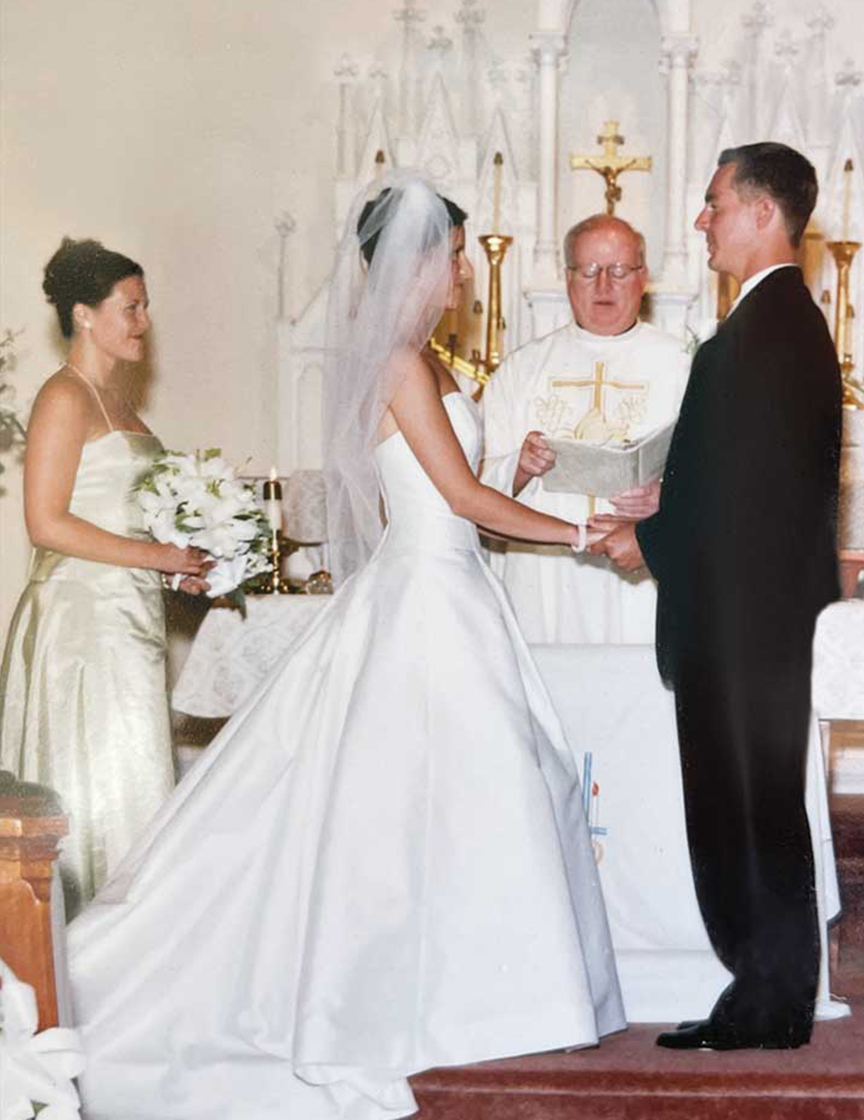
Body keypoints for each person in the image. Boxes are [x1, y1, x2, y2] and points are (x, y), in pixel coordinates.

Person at [67, 174, 625, 1120]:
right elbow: (454, 503)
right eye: (451, 258)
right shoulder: (404, 368)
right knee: (456, 793)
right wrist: (584, 532)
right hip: (428, 598)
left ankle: (485, 988)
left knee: (479, 793)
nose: (461, 276)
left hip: (455, 589)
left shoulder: (430, 362)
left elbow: (448, 483)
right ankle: (455, 996)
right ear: (411, 262)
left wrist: (511, 465)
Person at [591, 143, 841, 1050]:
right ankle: (766, 999)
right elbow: (748, 481)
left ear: (763, 213)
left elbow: (749, 506)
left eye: (713, 203)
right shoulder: (777, 327)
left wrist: (647, 537)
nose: (701, 220)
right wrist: (670, 500)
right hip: (756, 622)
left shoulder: (762, 332)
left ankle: (768, 1001)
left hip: (745, 629)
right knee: (754, 810)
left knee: (747, 811)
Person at [0, 238, 209, 919]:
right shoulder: (64, 396)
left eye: (145, 306)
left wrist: (184, 562)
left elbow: (123, 517)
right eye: (131, 307)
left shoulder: (118, 405)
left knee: (135, 782)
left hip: (128, 619)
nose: (143, 322)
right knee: (99, 786)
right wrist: (159, 559)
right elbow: (46, 523)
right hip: (83, 624)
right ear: (86, 314)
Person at [480, 214, 690, 643]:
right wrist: (518, 467)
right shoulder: (521, 371)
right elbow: (475, 490)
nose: (604, 286)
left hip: (642, 574)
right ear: (567, 277)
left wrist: (668, 495)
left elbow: (719, 483)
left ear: (643, 277)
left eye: (619, 271)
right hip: (545, 576)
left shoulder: (685, 368)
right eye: (589, 271)